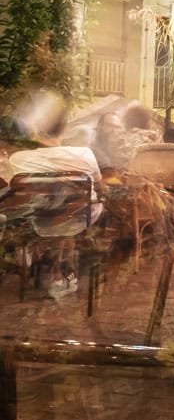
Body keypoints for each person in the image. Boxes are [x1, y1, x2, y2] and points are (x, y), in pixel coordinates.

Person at [8, 108, 105, 298]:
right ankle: (60, 271)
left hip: (37, 220)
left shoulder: (18, 159)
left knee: (46, 210)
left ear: (35, 129)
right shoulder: (84, 154)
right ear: (64, 128)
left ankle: (44, 261)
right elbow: (100, 185)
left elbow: (12, 190)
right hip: (77, 218)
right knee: (73, 211)